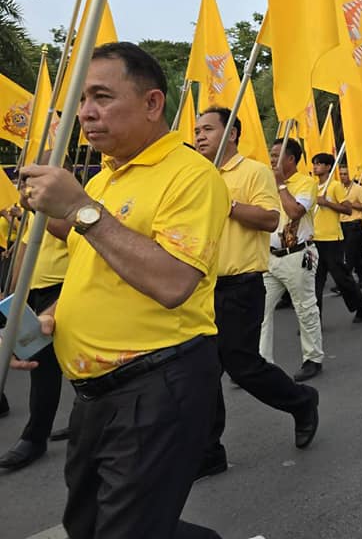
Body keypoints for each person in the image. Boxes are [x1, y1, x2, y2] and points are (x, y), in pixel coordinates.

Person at [12, 41, 227, 538]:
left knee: (124, 530)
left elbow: (174, 281)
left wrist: (82, 210)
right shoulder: (107, 179)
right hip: (92, 394)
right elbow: (98, 269)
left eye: (102, 97)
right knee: (86, 525)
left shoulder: (191, 176)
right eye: (82, 98)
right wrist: (46, 322)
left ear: (152, 103)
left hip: (154, 386)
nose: (86, 113)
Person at [193, 108, 319, 479]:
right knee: (203, 370)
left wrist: (228, 205)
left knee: (242, 365)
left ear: (232, 134)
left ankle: (301, 401)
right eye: (196, 130)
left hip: (241, 282)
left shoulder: (254, 171)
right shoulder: (197, 172)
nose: (199, 136)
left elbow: (271, 219)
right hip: (201, 284)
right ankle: (209, 451)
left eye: (208, 129)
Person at [0, 211, 69, 471]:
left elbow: (68, 233)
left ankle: (35, 436)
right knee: (42, 365)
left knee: (67, 361)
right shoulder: (38, 210)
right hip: (33, 291)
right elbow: (25, 249)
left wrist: (46, 208)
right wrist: (12, 293)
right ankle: (36, 437)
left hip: (62, 289)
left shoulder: (65, 205)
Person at [259, 139, 325, 382]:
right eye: (271, 154)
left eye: (277, 155)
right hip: (270, 258)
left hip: (298, 255)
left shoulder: (305, 183)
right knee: (261, 310)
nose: (272, 160)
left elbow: (295, 211)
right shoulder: (266, 181)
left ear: (291, 159)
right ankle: (262, 362)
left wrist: (280, 186)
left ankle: (313, 359)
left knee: (305, 308)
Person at [310, 154, 362, 322]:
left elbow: (347, 210)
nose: (316, 167)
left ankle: (361, 305)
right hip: (315, 239)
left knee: (342, 278)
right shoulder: (313, 186)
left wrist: (327, 203)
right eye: (314, 164)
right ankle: (314, 321)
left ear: (329, 167)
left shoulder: (335, 186)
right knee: (315, 282)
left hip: (332, 240)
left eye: (320, 164)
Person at [339, 166, 362, 287]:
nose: (343, 176)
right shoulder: (338, 188)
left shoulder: (358, 189)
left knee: (349, 254)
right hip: (342, 223)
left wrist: (350, 204)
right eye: (341, 174)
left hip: (355, 224)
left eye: (345, 174)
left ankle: (344, 283)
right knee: (356, 254)